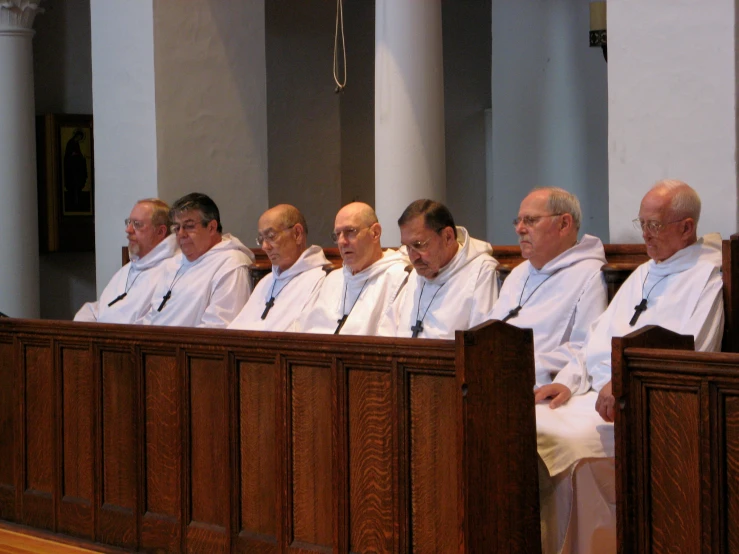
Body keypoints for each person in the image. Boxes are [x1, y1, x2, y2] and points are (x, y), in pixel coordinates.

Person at [534, 180, 724, 554]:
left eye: (655, 225)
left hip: (635, 406)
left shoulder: (708, 276)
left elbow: (692, 352)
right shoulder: (643, 273)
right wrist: (570, 381)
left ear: (686, 227)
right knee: (531, 423)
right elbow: (594, 335)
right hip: (596, 394)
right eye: (642, 225)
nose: (646, 236)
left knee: (558, 444)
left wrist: (623, 383)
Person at [489, 188, 608, 387]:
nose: (519, 229)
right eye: (517, 221)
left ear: (564, 224)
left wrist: (520, 365)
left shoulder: (591, 274)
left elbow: (586, 347)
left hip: (541, 384)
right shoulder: (518, 273)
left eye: (530, 220)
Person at [381, 199, 499, 339]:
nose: (413, 257)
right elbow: (389, 331)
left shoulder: (482, 272)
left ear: (448, 237)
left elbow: (482, 343)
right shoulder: (417, 272)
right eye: (407, 247)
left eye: (419, 245)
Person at [142, 193, 254, 328]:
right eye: (177, 228)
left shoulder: (231, 264)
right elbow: (152, 316)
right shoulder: (173, 263)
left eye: (189, 226)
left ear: (212, 227)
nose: (181, 234)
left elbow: (219, 326)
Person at [296, 202, 410, 335]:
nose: (342, 242)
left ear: (375, 233)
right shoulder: (332, 279)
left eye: (350, 232)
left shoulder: (399, 278)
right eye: (337, 234)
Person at [74, 198, 177, 324]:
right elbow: (102, 309)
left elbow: (152, 324)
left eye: (137, 224)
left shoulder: (171, 272)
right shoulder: (129, 267)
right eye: (129, 222)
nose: (128, 230)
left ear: (160, 231)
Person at [228, 204, 329, 331]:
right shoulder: (266, 281)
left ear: (297, 234)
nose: (265, 246)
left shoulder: (321, 280)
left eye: (271, 236)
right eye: (261, 239)